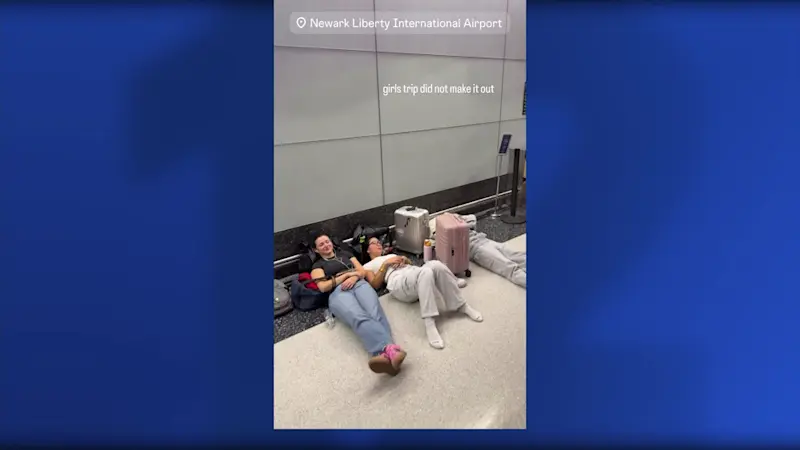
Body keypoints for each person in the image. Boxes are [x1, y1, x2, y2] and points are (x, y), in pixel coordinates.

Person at [309, 233, 406, 375]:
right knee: (357, 316)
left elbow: (362, 271)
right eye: (321, 244)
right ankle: (390, 351)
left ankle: (384, 356)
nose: (326, 245)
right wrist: (347, 275)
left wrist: (354, 277)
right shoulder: (317, 266)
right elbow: (323, 287)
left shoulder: (345, 254)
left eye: (327, 241)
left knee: (374, 312)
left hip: (359, 283)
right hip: (338, 292)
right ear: (316, 250)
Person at [363, 238, 483, 350]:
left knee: (435, 264)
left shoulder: (391, 255)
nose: (378, 244)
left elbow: (410, 263)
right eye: (374, 243)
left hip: (412, 272)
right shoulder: (368, 265)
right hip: (397, 281)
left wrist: (404, 260)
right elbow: (374, 284)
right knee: (426, 272)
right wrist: (385, 264)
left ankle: (461, 305)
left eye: (379, 242)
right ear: (368, 249)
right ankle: (429, 323)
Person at [430, 215, 527, 288]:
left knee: (517, 256)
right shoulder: (436, 233)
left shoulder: (450, 218)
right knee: (508, 267)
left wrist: (459, 219)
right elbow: (437, 249)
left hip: (485, 240)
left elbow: (473, 219)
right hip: (477, 249)